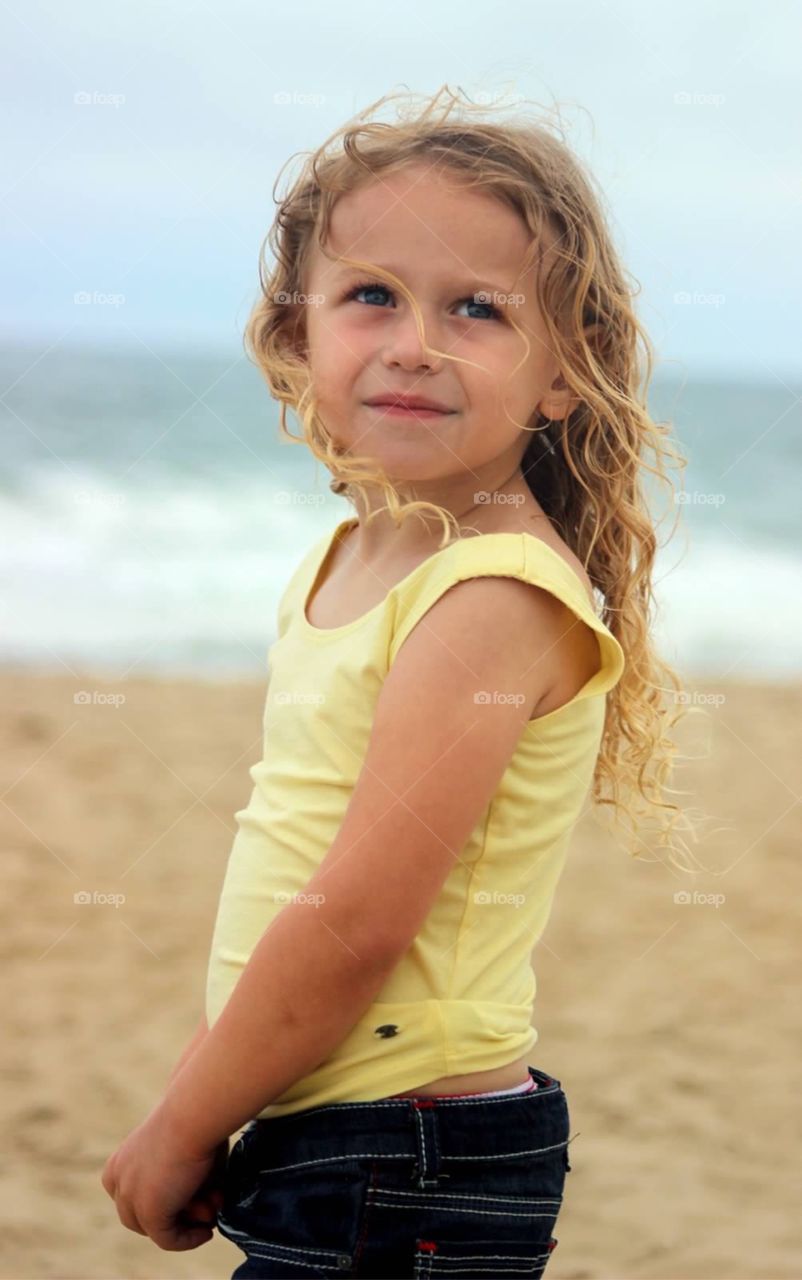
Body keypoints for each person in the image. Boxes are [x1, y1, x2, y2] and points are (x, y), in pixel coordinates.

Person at [101, 85, 700, 1277]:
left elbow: (356, 920)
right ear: (296, 333)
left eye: (477, 308)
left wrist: (181, 1124)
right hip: (336, 1135)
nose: (416, 341)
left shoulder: (492, 595)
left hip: (410, 1157)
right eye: (371, 294)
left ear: (563, 372)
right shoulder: (350, 557)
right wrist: (208, 1081)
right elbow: (293, 859)